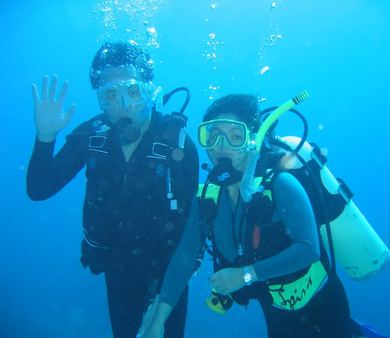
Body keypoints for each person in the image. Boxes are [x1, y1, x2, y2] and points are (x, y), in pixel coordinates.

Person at [141, 94, 361, 338]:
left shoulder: (280, 185)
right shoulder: (206, 198)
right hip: (275, 311)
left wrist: (247, 275)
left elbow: (309, 249)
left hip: (324, 306)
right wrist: (158, 319)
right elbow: (185, 255)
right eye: (212, 136)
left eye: (235, 136)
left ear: (252, 142)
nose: (221, 146)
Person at [26, 41, 199, 338]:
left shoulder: (177, 145)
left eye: (133, 92)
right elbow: (39, 189)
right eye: (110, 95)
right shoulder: (92, 135)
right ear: (100, 100)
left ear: (150, 90)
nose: (123, 106)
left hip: (166, 272)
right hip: (116, 268)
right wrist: (45, 137)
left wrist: (163, 303)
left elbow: (189, 234)